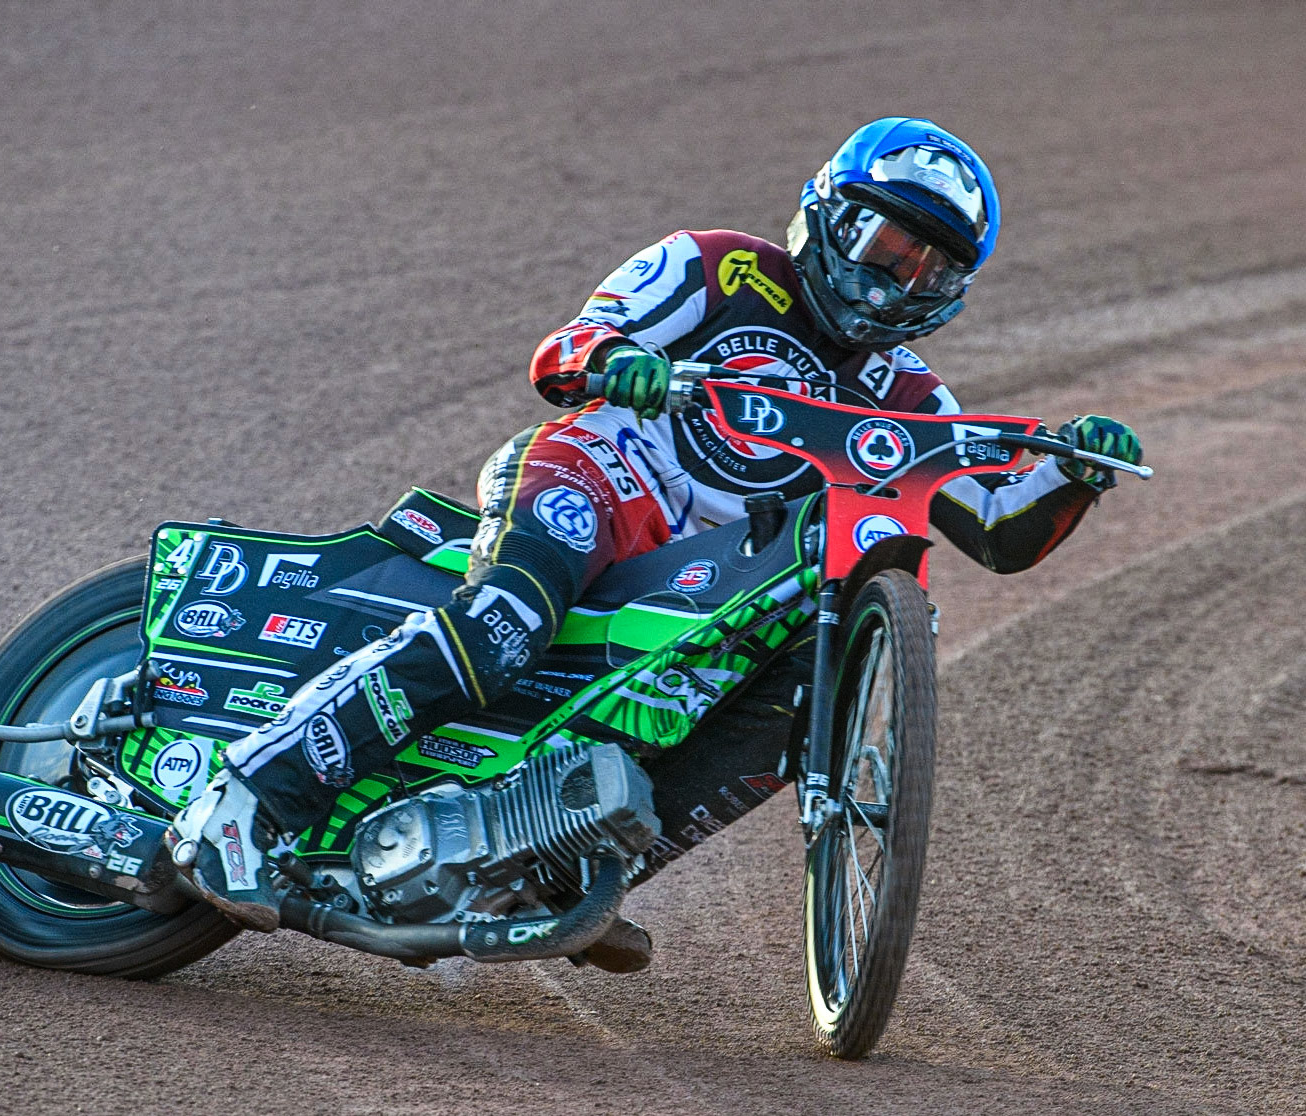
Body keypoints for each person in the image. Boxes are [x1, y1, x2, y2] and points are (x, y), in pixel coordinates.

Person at [165, 117, 1143, 937]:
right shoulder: (718, 267)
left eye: (927, 270)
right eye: (889, 246)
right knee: (503, 623)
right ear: (833, 216)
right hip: (592, 481)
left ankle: (563, 871)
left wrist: (1073, 475)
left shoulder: (910, 396)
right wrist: (615, 359)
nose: (897, 278)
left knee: (807, 693)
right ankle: (246, 801)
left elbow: (1000, 531)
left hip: (694, 580)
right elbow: (567, 348)